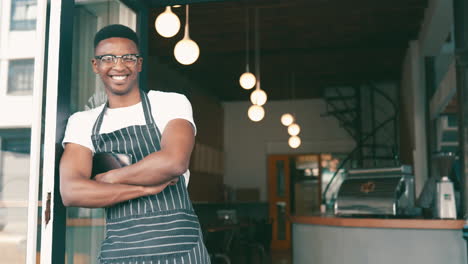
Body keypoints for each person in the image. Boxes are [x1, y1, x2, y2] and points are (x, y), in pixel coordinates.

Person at [59, 24, 211, 264]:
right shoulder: (83, 122)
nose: (118, 66)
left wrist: (109, 178)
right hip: (120, 254)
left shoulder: (170, 104)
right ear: (95, 65)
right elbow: (72, 192)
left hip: (182, 251)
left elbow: (173, 162)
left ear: (139, 64)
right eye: (107, 58)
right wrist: (144, 189)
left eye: (127, 57)